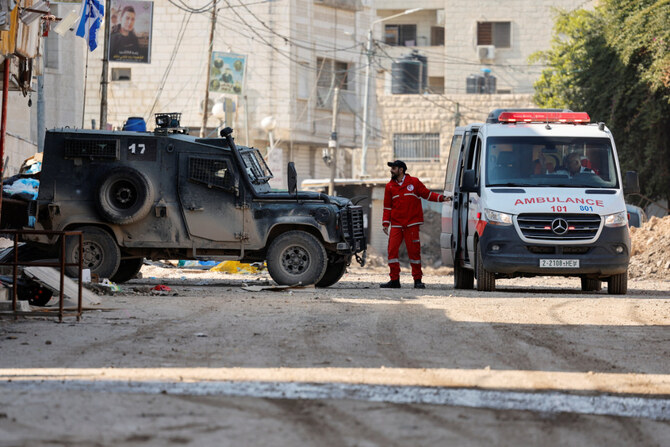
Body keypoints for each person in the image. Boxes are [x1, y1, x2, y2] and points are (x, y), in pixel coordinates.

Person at [381, 160, 446, 289]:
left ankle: (417, 280)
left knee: (414, 252)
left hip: (412, 224)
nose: (391, 170)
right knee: (392, 251)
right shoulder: (389, 186)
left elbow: (427, 195)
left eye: (393, 168)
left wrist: (442, 198)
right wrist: (385, 223)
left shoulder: (414, 182)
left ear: (401, 170)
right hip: (396, 224)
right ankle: (394, 280)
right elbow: (387, 207)